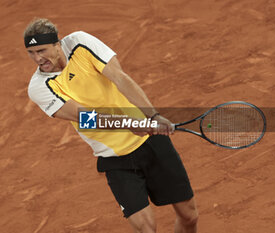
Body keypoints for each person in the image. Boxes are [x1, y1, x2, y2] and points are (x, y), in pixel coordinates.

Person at [23, 18, 198, 233]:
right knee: (147, 229)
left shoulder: (80, 43)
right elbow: (85, 117)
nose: (37, 58)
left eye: (41, 50)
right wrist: (128, 123)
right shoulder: (40, 87)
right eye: (31, 53)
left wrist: (152, 116)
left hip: (151, 143)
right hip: (115, 159)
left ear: (58, 44)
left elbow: (119, 77)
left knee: (189, 217)